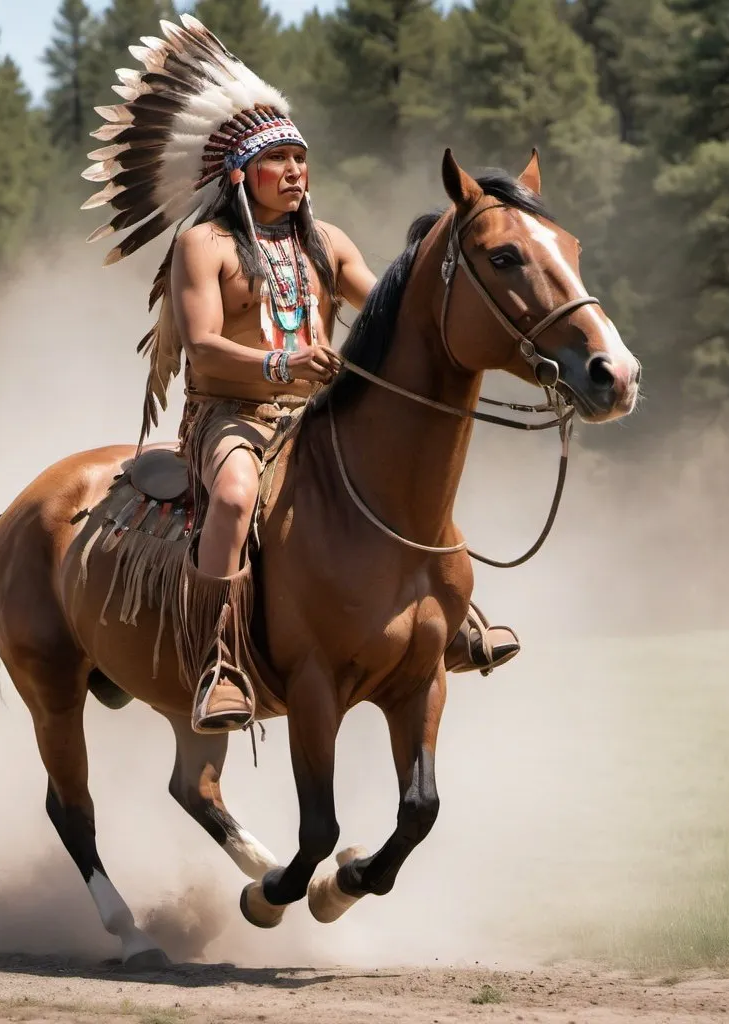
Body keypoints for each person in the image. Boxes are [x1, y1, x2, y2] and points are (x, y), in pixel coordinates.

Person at [82, 16, 520, 736]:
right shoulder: (205, 244)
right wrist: (283, 361)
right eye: (277, 159)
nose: (294, 171)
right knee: (230, 497)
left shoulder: (328, 243)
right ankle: (220, 663)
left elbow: (386, 308)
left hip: (314, 416)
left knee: (402, 477)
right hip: (229, 419)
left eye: (300, 158)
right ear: (238, 172)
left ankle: (456, 615)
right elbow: (203, 346)